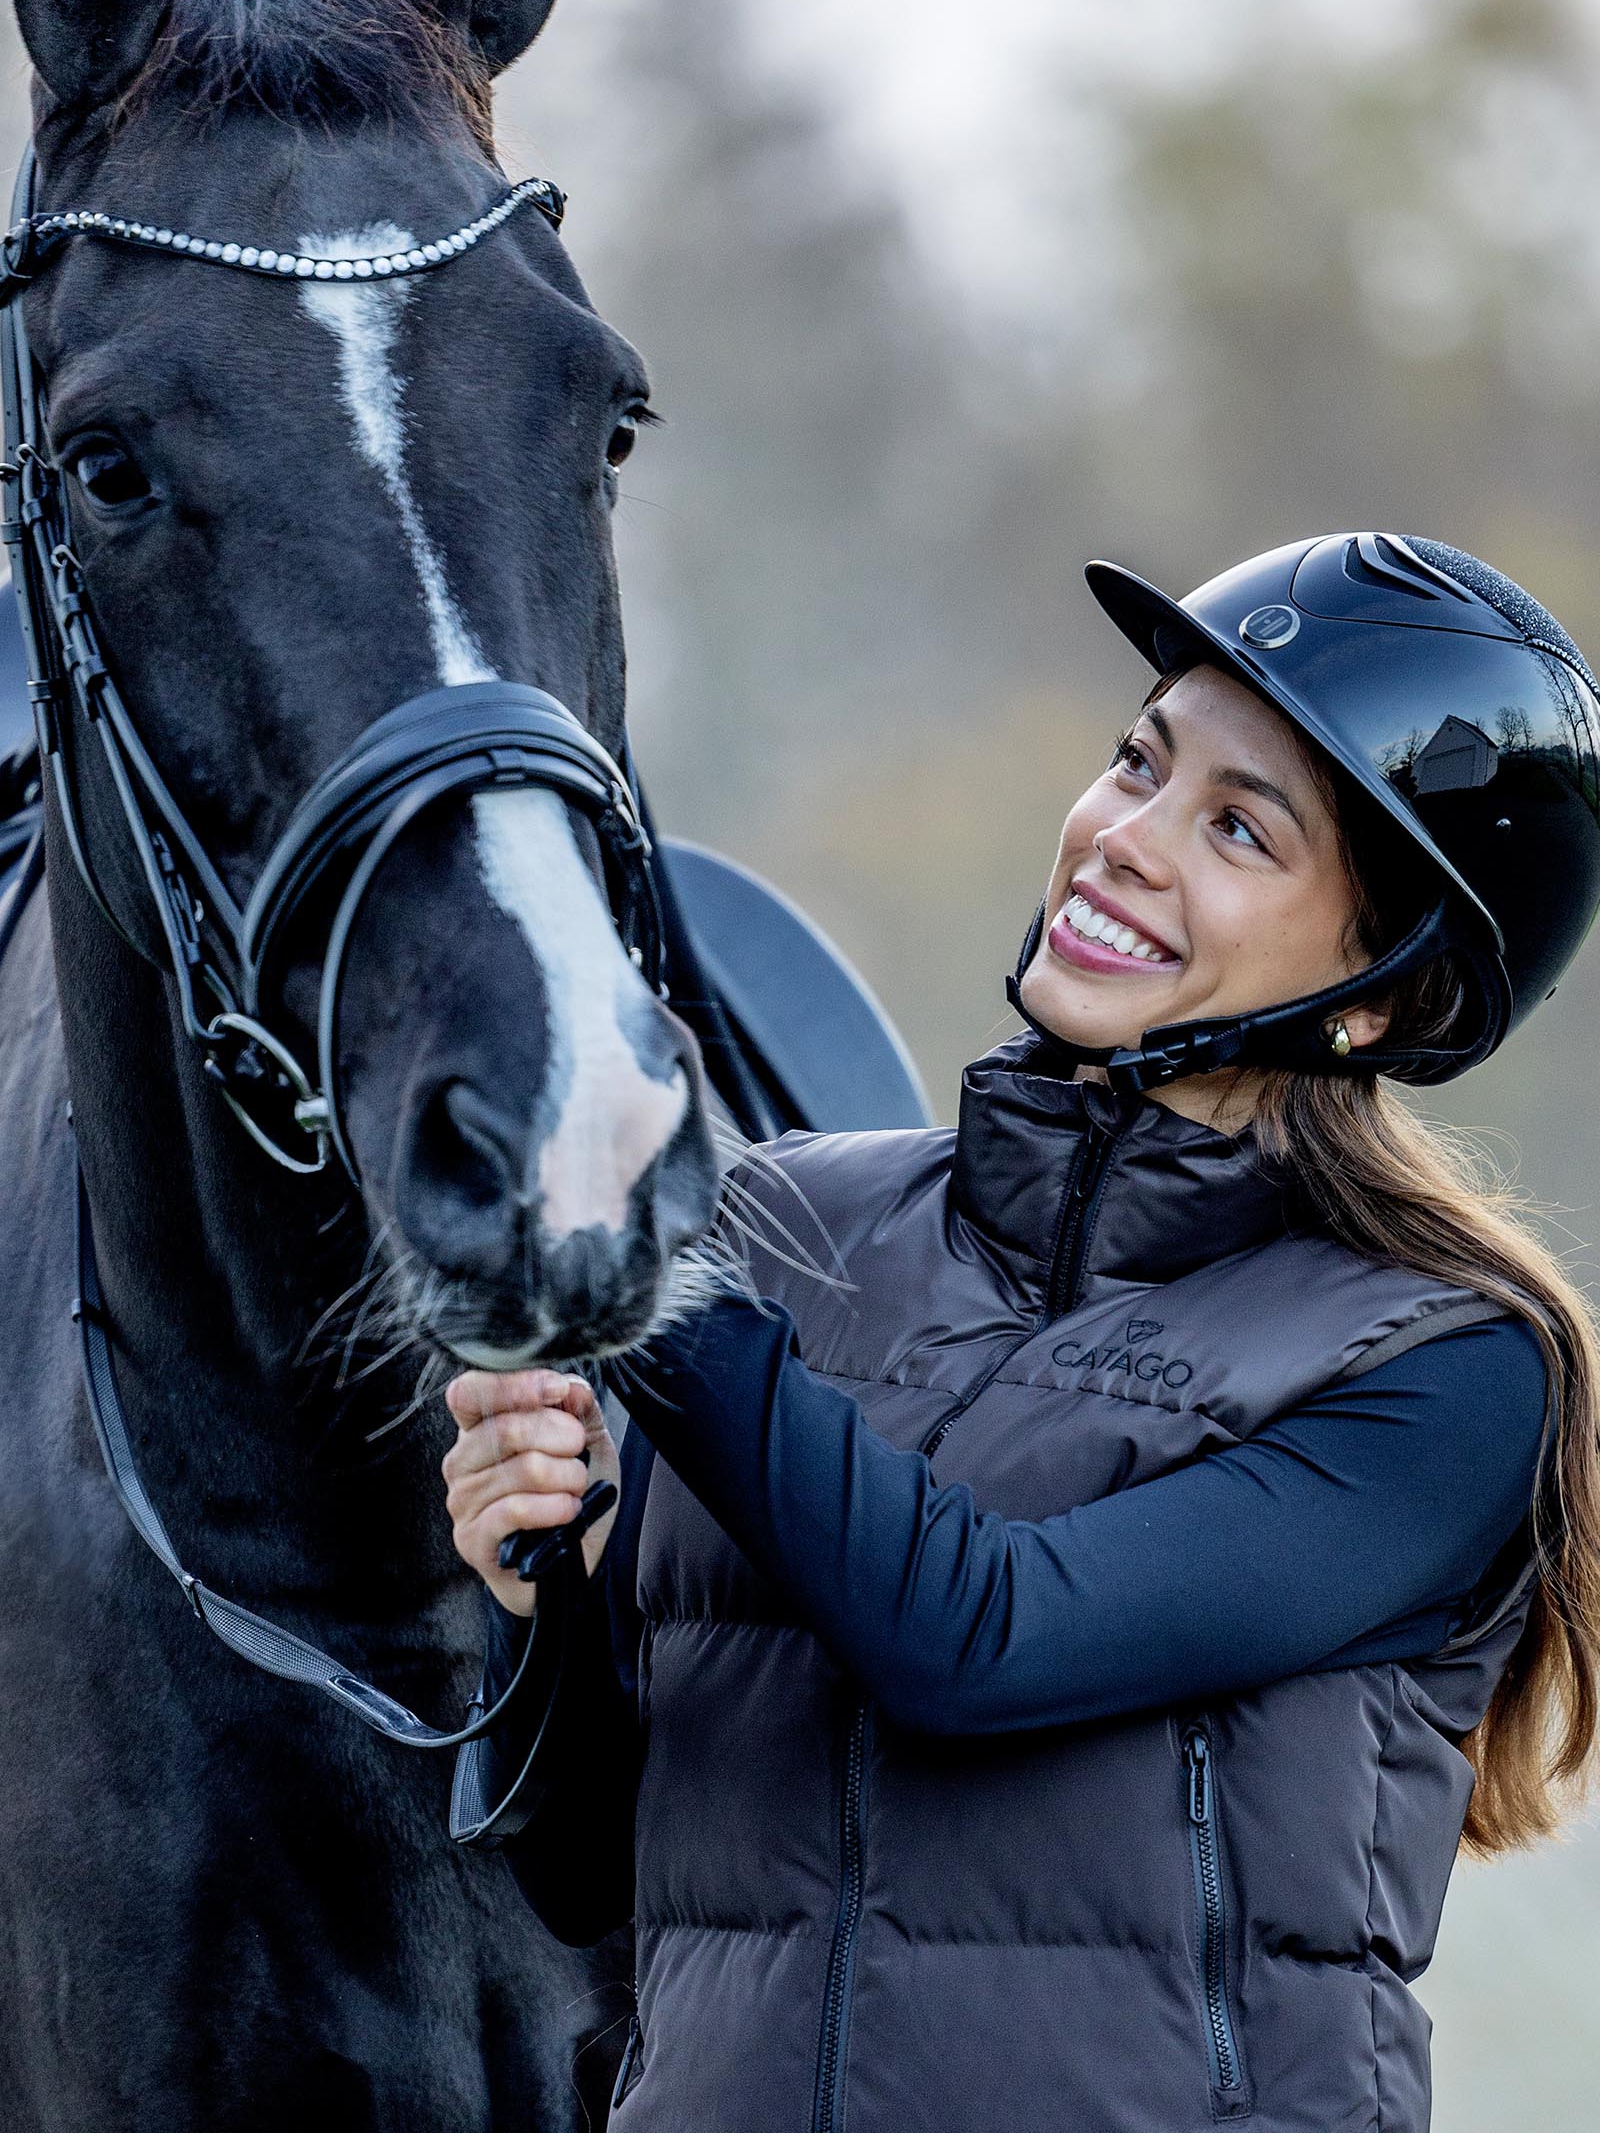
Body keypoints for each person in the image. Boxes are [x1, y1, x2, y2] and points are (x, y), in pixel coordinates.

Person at [442, 531, 1600, 2133]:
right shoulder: (784, 1227)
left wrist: (649, 1267)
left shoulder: (1444, 1368)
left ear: (1383, 997)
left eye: (1238, 830)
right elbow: (592, 1877)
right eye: (1140, 760)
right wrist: (536, 1604)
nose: (1125, 839)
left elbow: (977, 1642)